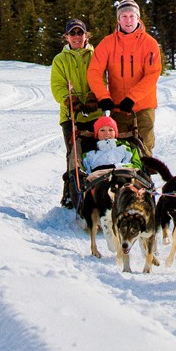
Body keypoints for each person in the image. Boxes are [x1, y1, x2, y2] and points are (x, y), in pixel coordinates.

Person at [87, 0, 162, 153]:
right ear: (118, 19)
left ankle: (145, 175)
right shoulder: (108, 43)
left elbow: (152, 75)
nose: (128, 20)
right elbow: (94, 72)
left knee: (144, 149)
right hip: (118, 107)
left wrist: (132, 98)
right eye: (124, 16)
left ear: (138, 18)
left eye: (132, 16)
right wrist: (103, 97)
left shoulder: (150, 43)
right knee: (119, 150)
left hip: (143, 107)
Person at [50, 18, 101, 208]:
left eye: (80, 33)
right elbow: (57, 85)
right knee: (73, 154)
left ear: (86, 35)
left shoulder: (95, 55)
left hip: (95, 114)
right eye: (73, 33)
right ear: (67, 37)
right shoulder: (60, 60)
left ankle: (96, 192)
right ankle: (71, 194)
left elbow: (101, 77)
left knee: (96, 151)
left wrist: (93, 96)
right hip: (70, 115)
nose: (77, 37)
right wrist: (70, 100)